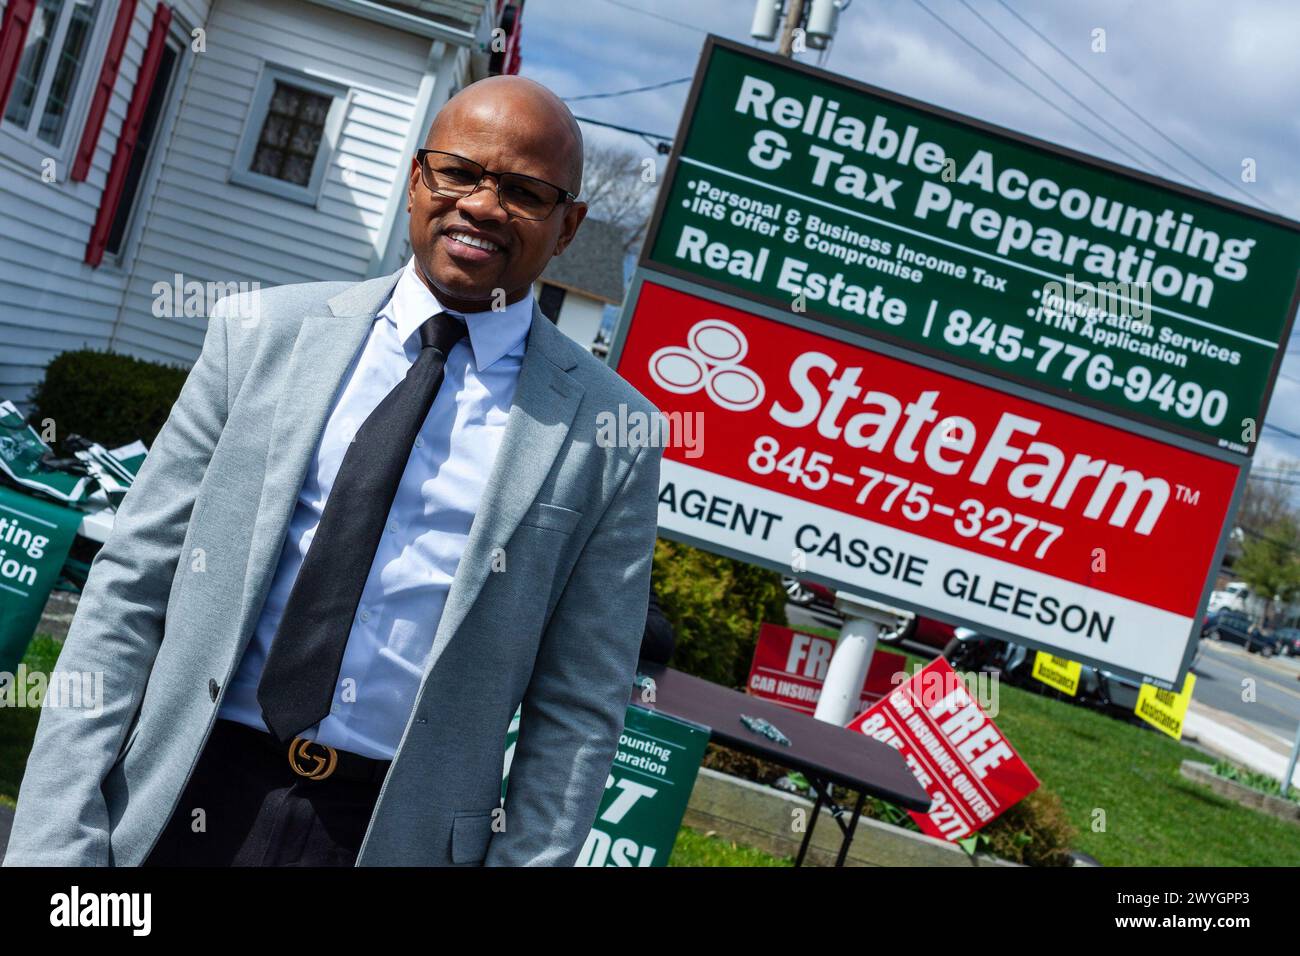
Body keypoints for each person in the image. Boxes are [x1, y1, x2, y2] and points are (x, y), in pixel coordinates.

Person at [2, 75, 663, 867]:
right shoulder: (260, 337)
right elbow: (129, 591)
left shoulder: (608, 434)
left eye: (524, 191)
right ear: (417, 180)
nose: (483, 206)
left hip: (387, 835)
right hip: (176, 802)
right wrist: (52, 845)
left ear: (567, 227)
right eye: (458, 173)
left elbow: (579, 712)